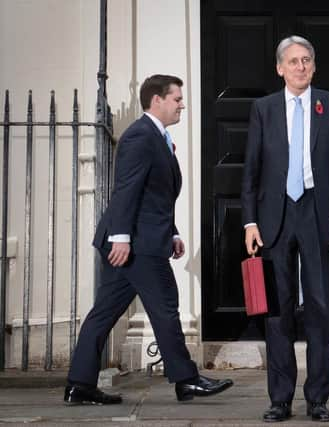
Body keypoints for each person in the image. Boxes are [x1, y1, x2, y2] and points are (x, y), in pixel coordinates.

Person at [64, 74, 233, 405]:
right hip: (135, 244)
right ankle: (186, 379)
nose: (182, 104)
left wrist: (172, 232)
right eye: (177, 98)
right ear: (157, 100)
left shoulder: (158, 138)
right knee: (166, 305)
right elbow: (126, 190)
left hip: (140, 238)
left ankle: (79, 384)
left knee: (104, 313)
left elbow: (155, 195)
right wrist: (121, 238)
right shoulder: (140, 137)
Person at [241, 36, 329, 422]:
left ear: (314, 65)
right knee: (278, 312)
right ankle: (280, 399)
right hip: (274, 218)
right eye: (293, 61)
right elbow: (251, 170)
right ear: (279, 68)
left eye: (306, 60)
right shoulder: (263, 109)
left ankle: (318, 398)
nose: (300, 67)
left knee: (321, 309)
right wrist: (250, 221)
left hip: (318, 214)